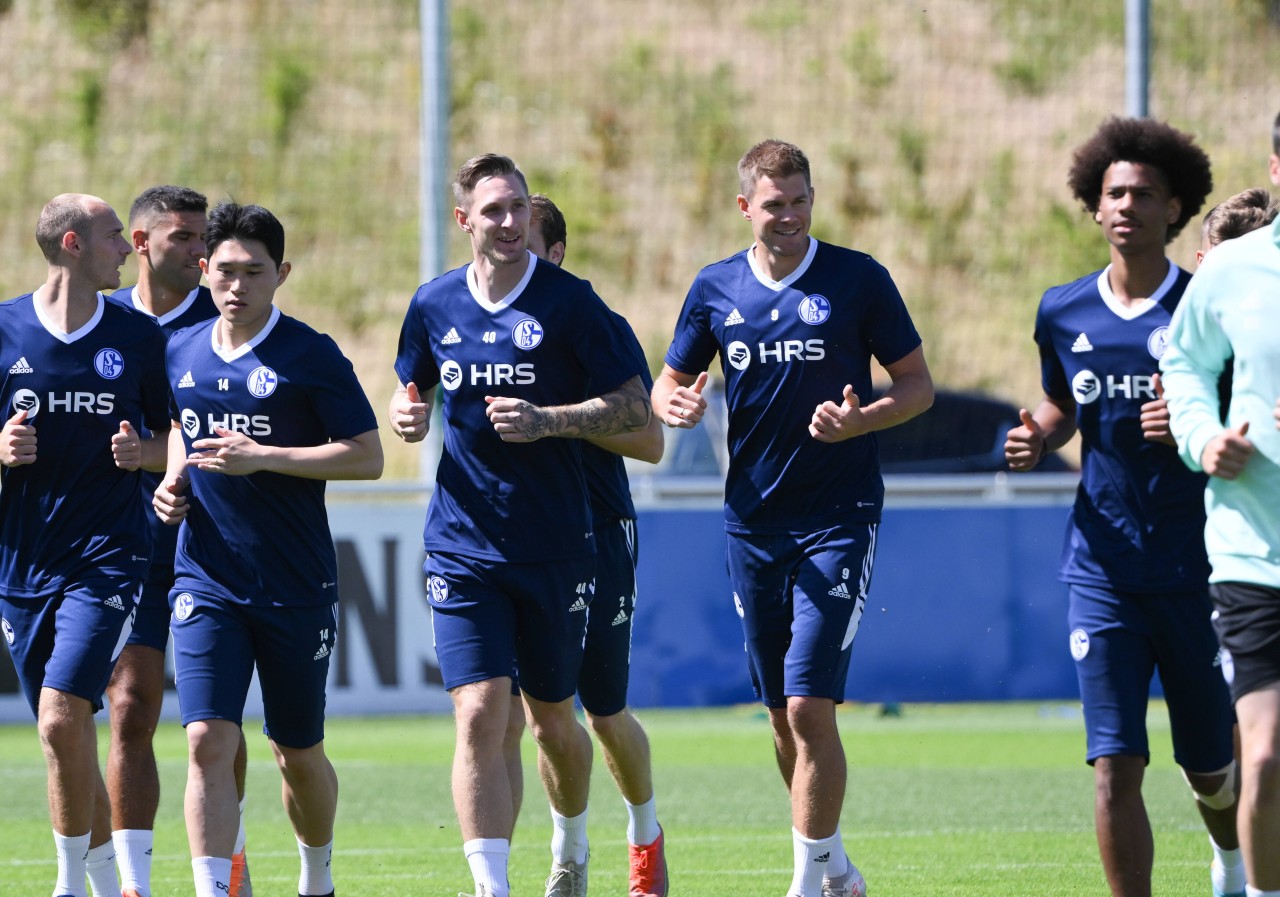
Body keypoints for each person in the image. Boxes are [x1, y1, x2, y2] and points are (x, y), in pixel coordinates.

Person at [652, 139, 934, 897]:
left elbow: (917, 387)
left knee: (811, 703)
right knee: (782, 716)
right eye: (775, 203)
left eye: (802, 199)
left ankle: (805, 884)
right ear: (746, 207)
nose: (791, 215)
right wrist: (671, 401)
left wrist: (861, 420)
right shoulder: (715, 289)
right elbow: (668, 381)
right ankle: (835, 864)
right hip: (751, 523)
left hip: (839, 518)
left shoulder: (857, 279)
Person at [388, 153, 652, 897]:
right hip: (462, 544)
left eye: (519, 208)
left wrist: (550, 420)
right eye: (494, 210)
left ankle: (578, 840)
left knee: (555, 723)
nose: (509, 223)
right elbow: (411, 386)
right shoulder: (434, 303)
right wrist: (408, 413)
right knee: (477, 713)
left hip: (560, 544)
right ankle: (492, 887)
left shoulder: (573, 305)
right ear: (464, 219)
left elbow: (638, 411)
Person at [1003, 116, 1243, 897]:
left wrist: (1191, 418)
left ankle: (1234, 860)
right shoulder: (1064, 311)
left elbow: (1251, 409)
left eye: (1144, 193)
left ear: (1176, 208)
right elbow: (1058, 402)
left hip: (1200, 564)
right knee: (1113, 762)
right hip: (1101, 567)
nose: (1126, 206)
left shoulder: (1207, 306)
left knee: (1210, 766)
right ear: (1092, 204)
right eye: (1113, 193)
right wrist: (1036, 434)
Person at [151, 202, 383, 897]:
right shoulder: (179, 348)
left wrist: (267, 456)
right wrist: (171, 475)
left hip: (295, 582)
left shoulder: (311, 354)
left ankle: (317, 876)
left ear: (281, 274)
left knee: (296, 754)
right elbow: (177, 422)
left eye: (254, 271)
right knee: (205, 741)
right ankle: (215, 889)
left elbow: (367, 456)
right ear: (202, 270)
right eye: (224, 270)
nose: (237, 285)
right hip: (206, 578)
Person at [0, 193, 169, 897]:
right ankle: (110, 887)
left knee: (62, 713)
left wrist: (146, 455)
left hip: (110, 553)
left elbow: (175, 439)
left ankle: (68, 886)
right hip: (21, 562)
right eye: (111, 238)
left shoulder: (137, 335)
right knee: (62, 734)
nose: (127, 251)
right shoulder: (5, 329)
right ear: (72, 244)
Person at [105, 185, 254, 897]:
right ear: (140, 243)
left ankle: (229, 854)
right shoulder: (100, 322)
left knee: (214, 721)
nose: (201, 252)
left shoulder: (226, 317)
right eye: (184, 238)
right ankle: (133, 881)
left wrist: (161, 456)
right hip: (120, 542)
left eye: (205, 239)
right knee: (130, 704)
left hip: (213, 543)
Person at [523, 193, 669, 896]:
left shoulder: (596, 326)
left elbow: (649, 438)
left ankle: (644, 834)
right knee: (541, 716)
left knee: (604, 709)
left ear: (555, 255)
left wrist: (553, 421)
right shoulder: (483, 327)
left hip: (600, 529)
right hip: (522, 540)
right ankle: (569, 852)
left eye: (528, 244)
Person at [1161, 204, 1280, 897]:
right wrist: (1202, 436)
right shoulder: (1233, 267)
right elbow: (1184, 366)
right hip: (1251, 554)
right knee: (1262, 758)